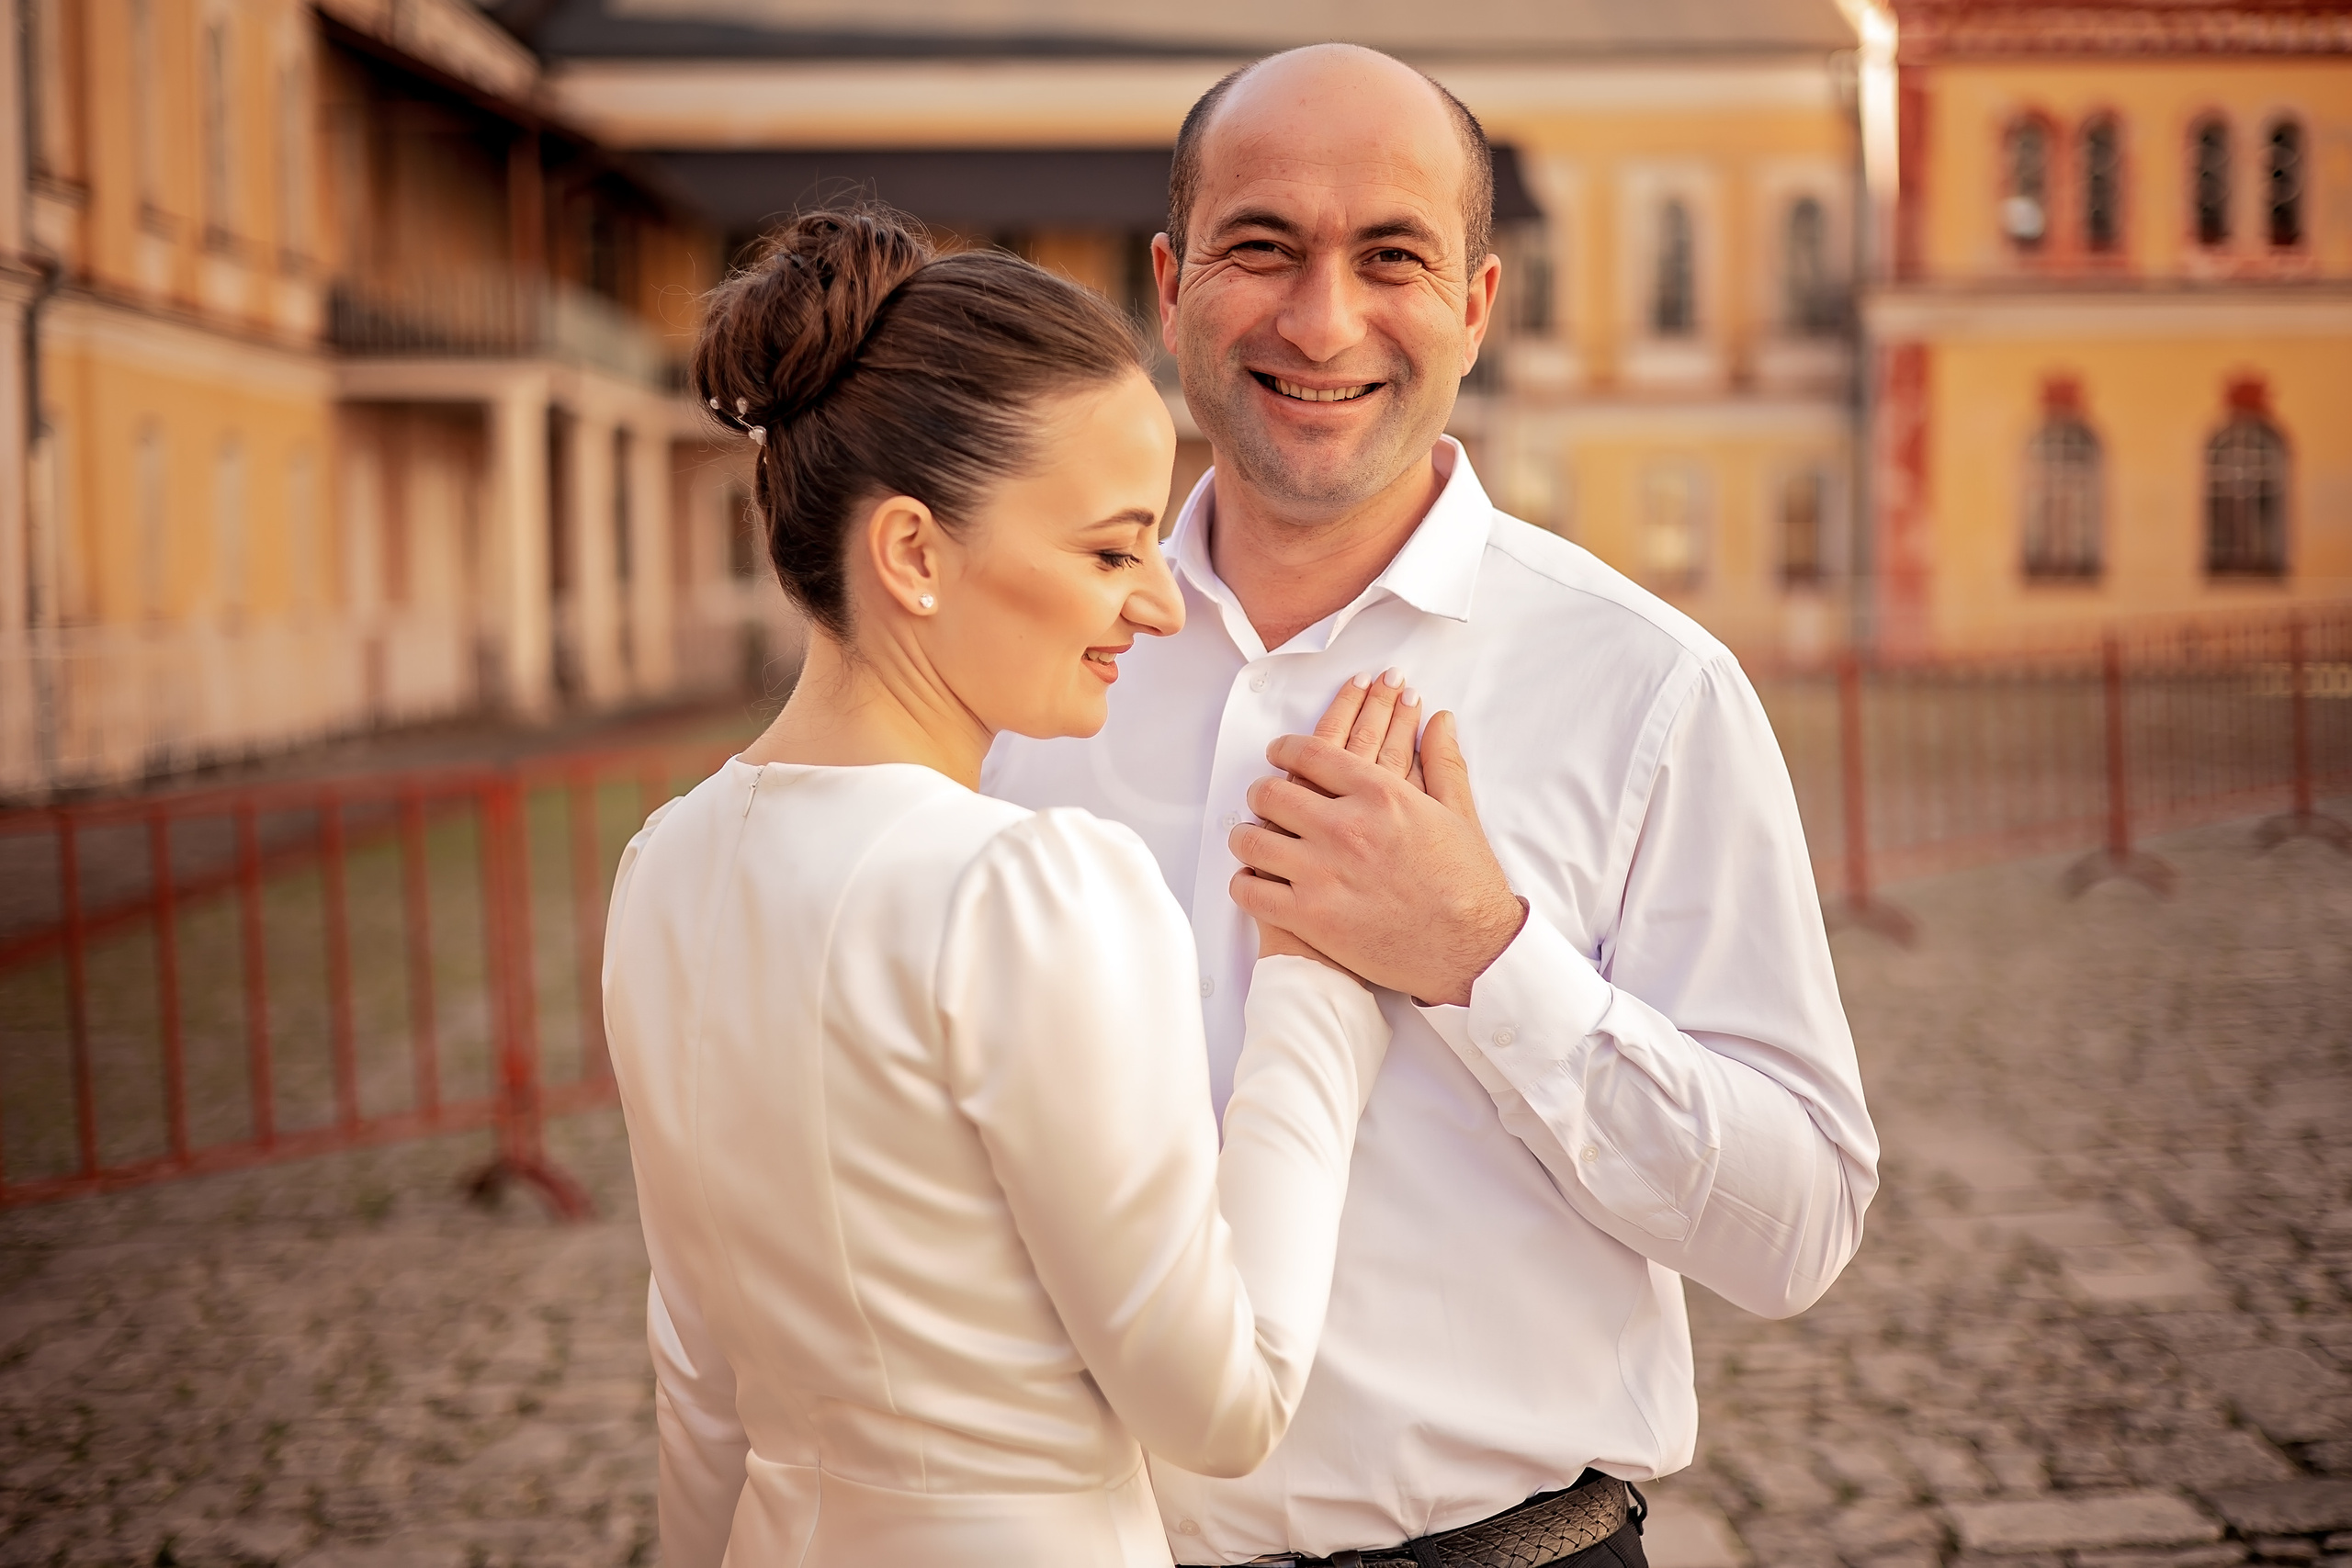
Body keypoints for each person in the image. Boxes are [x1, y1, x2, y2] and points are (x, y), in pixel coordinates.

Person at [984, 44, 1883, 1568]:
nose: (1320, 320)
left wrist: (1485, 951)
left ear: (1475, 303)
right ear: (1170, 283)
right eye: (1260, 247)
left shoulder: (1651, 689)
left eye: (1389, 257)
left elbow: (1793, 1228)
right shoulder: (1013, 682)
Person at [601, 209, 1419, 1567]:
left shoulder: (664, 866)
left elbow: (695, 1382)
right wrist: (1317, 989)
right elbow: (1226, 1401)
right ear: (914, 553)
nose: (1158, 606)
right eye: (1108, 552)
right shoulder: (1024, 890)